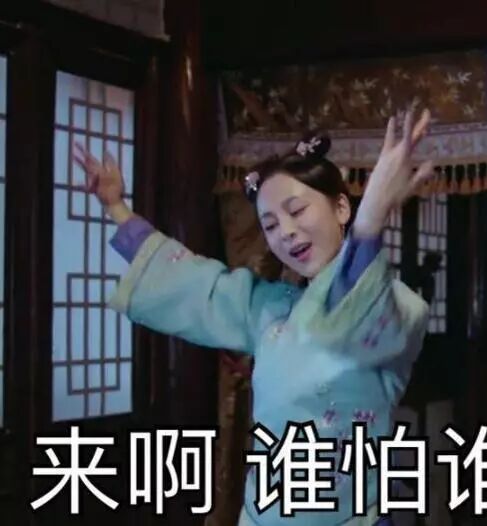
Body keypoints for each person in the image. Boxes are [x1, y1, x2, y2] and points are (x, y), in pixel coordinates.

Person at [74, 109, 433, 526]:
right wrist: (116, 207)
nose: (286, 232)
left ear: (341, 208)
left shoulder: (392, 304)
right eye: (271, 225)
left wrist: (370, 220)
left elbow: (354, 302)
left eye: (297, 211)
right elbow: (195, 283)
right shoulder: (270, 309)